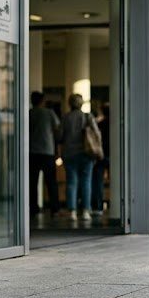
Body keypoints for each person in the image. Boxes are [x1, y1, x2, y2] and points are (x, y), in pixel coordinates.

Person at [57, 94, 99, 222]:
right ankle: (86, 211)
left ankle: (72, 212)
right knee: (86, 181)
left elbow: (59, 136)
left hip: (69, 154)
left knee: (71, 182)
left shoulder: (65, 118)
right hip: (86, 153)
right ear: (81, 104)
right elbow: (96, 133)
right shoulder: (88, 116)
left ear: (69, 103)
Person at [29, 91, 60, 216]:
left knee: (32, 182)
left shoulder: (29, 114)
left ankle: (33, 208)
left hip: (32, 151)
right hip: (47, 151)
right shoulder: (49, 113)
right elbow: (57, 129)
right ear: (42, 101)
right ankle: (55, 208)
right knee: (51, 182)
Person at [91, 103, 111, 216]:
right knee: (119, 181)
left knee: (98, 182)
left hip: (101, 155)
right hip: (114, 156)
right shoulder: (117, 124)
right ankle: (118, 205)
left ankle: (98, 207)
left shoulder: (100, 124)